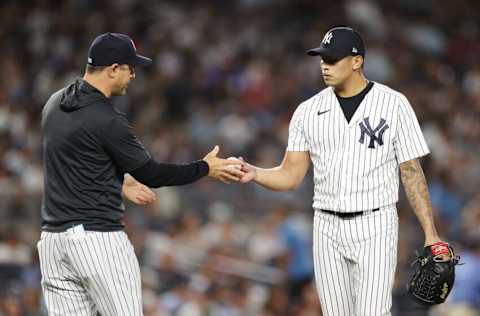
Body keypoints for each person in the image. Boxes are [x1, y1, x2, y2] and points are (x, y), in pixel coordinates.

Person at [239, 26, 446, 315]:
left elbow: (411, 172)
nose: (325, 66)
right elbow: (291, 175)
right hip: (326, 226)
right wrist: (256, 173)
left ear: (357, 61)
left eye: (332, 59)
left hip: (375, 223)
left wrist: (430, 233)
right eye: (323, 59)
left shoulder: (394, 103)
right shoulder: (307, 111)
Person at [38, 32, 243, 316]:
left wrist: (119, 181)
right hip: (98, 241)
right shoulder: (106, 118)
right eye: (129, 67)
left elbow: (72, 158)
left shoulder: (53, 104)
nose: (134, 75)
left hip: (52, 244)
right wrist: (206, 167)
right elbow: (152, 174)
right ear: (112, 69)